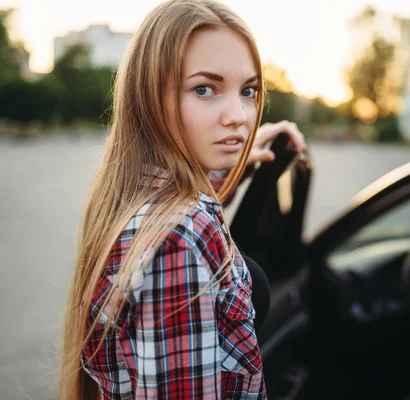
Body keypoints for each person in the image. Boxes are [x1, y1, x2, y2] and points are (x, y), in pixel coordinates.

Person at [58, 1, 306, 399]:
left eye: (248, 91)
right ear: (150, 99)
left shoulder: (133, 194)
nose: (239, 116)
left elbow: (192, 190)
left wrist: (235, 166)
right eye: (204, 89)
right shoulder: (179, 239)